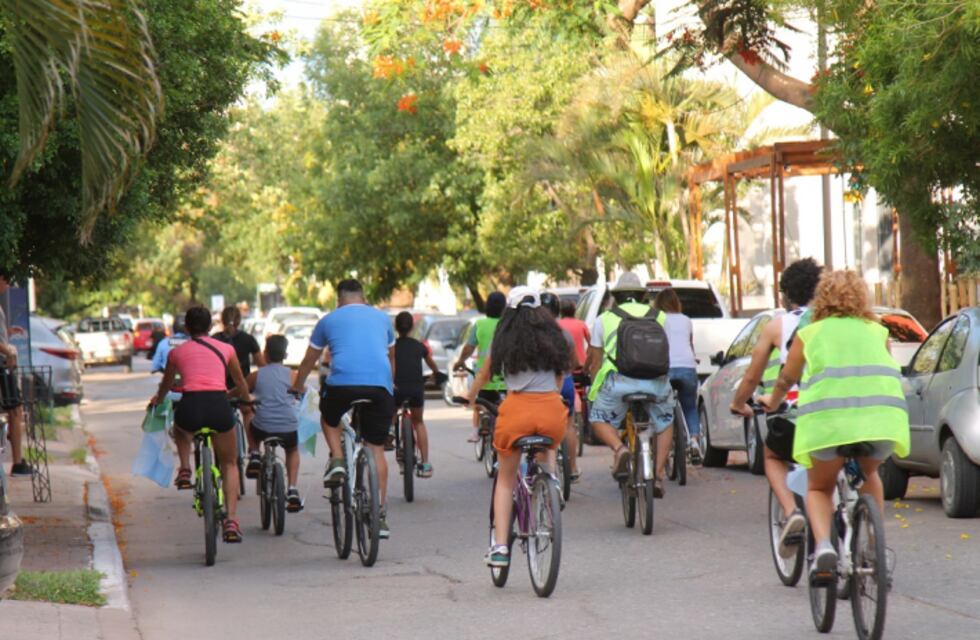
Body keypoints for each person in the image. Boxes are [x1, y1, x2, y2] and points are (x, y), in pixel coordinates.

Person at [756, 270, 910, 581]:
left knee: (818, 487)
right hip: (880, 422)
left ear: (821, 298)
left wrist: (772, 401)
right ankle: (871, 545)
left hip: (828, 425)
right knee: (868, 474)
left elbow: (787, 377)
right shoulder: (877, 330)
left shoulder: (810, 333)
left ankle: (825, 546)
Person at [469, 287, 570, 568]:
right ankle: (552, 484)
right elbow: (561, 379)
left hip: (516, 413)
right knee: (547, 444)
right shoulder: (556, 337)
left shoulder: (504, 339)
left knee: (505, 478)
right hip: (551, 412)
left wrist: (469, 397)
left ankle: (500, 547)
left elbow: (485, 373)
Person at [730, 257, 822, 555]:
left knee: (773, 456)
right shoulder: (831, 320)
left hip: (791, 412)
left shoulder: (777, 326)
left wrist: (739, 403)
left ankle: (791, 511)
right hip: (833, 407)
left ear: (786, 294)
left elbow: (752, 375)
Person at [291, 279, 396, 539]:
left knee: (329, 419)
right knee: (377, 449)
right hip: (380, 388)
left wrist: (297, 386)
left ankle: (337, 457)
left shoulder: (328, 320)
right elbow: (391, 358)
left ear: (339, 300)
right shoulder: (383, 319)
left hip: (343, 385)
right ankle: (379, 515)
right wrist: (388, 386)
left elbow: (308, 360)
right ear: (364, 297)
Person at [151, 306, 250, 543]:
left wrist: (159, 399)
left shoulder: (177, 352)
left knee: (181, 429)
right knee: (229, 463)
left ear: (186, 328)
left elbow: (166, 384)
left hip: (191, 406)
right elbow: (241, 382)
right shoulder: (226, 348)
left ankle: (185, 468)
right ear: (210, 327)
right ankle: (231, 521)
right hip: (218, 405)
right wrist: (241, 397)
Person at [585, 272, 674, 497]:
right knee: (665, 422)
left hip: (619, 383)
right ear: (641, 296)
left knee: (598, 419)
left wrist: (595, 388)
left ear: (617, 296)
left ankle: (620, 448)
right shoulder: (660, 316)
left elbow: (595, 362)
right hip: (655, 383)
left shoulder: (603, 319)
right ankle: (659, 473)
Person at [247, 334, 302, 512]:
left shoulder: (256, 375)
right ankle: (292, 489)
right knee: (292, 450)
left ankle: (255, 452)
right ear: (285, 356)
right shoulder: (293, 376)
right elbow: (304, 393)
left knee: (248, 417)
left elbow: (240, 392)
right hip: (288, 427)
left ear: (265, 354)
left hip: (263, 427)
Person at [213, 305, 267, 477]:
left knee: (219, 421)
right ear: (239, 321)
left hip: (221, 389)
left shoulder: (214, 339)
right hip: (244, 387)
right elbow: (262, 367)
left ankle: (220, 455)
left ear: (221, 321)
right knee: (248, 411)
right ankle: (254, 452)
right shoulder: (249, 339)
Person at [654, 288, 702, 464]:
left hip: (666, 367)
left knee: (661, 407)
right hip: (688, 366)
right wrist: (693, 357)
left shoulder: (658, 319)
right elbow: (689, 344)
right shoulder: (687, 320)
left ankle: (663, 447)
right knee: (689, 406)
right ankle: (694, 440)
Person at [392, 311, 443, 478]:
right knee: (419, 421)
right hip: (415, 388)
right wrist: (437, 373)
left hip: (396, 388)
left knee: (391, 411)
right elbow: (431, 363)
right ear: (412, 327)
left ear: (396, 327)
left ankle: (390, 434)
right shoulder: (419, 346)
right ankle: (426, 463)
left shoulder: (391, 347)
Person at [454, 291, 507, 443]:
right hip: (506, 379)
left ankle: (477, 430)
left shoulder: (479, 324)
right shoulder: (507, 325)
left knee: (479, 404)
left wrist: (460, 361)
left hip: (485, 379)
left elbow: (468, 348)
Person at [542, 293, 582, 481]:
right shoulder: (563, 334)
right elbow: (574, 362)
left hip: (542, 386)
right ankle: (572, 468)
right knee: (569, 426)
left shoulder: (531, 335)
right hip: (565, 382)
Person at [0, 272, 29, 477]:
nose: (8, 284)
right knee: (15, 410)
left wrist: (9, 333)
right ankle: (17, 462)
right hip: (3, 365)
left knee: (15, 409)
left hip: (5, 364)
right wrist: (8, 350)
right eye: (5, 279)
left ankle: (18, 458)